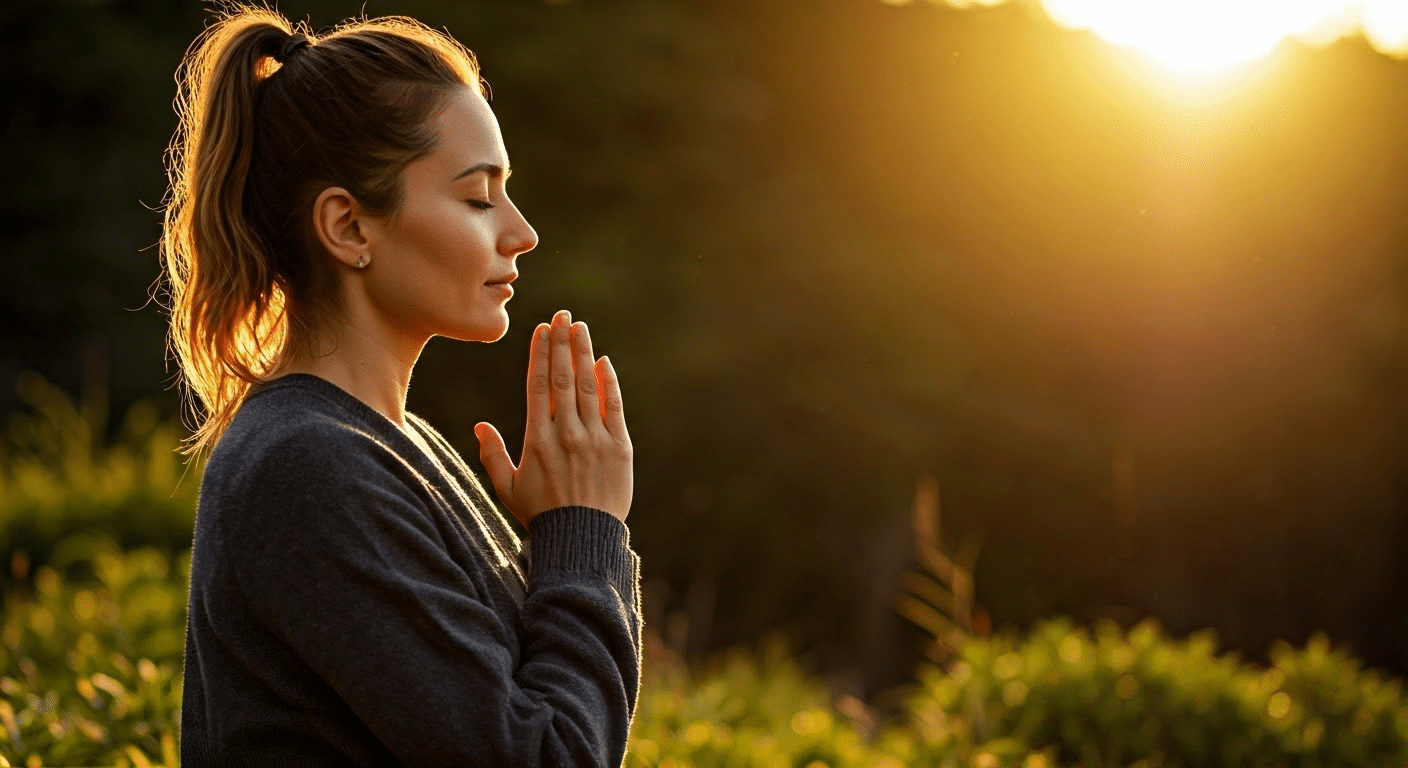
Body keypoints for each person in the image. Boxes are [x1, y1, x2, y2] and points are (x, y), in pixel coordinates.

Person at [161, 6, 641, 766]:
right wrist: (585, 534)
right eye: (479, 196)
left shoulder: (392, 444)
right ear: (349, 227)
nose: (521, 231)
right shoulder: (308, 468)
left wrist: (550, 541)